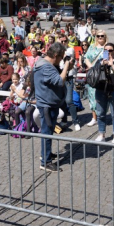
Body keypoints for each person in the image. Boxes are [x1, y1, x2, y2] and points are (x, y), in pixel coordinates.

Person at [34, 42, 70, 172]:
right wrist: (66, 65)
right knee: (47, 132)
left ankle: (46, 153)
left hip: (47, 104)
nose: (61, 60)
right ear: (55, 55)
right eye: (60, 57)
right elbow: (60, 81)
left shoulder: (42, 62)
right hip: (47, 105)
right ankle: (46, 162)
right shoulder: (46, 67)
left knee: (48, 132)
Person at [93, 42, 114, 144]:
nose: (108, 52)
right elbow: (93, 73)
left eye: (110, 50)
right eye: (106, 50)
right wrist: (101, 64)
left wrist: (112, 66)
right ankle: (101, 134)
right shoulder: (99, 62)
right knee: (101, 113)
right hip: (101, 90)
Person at [83, 30, 107, 128]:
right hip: (92, 74)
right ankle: (94, 118)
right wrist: (92, 67)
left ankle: (102, 117)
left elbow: (105, 60)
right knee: (92, 96)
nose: (100, 37)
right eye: (98, 36)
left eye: (102, 36)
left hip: (102, 75)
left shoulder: (106, 47)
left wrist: (98, 68)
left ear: (105, 37)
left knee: (102, 97)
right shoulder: (92, 46)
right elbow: (86, 57)